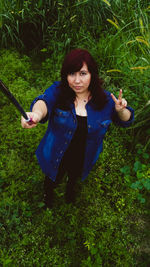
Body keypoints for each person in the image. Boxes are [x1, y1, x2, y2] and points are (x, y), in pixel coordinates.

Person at [21, 48, 134, 208]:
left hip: (84, 155)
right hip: (56, 151)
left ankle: (70, 192)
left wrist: (121, 111)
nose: (76, 80)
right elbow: (44, 102)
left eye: (82, 73)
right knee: (52, 178)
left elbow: (127, 120)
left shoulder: (106, 101)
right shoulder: (59, 91)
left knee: (74, 177)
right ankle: (48, 197)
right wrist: (36, 115)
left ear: (92, 75)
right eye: (71, 74)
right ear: (65, 75)